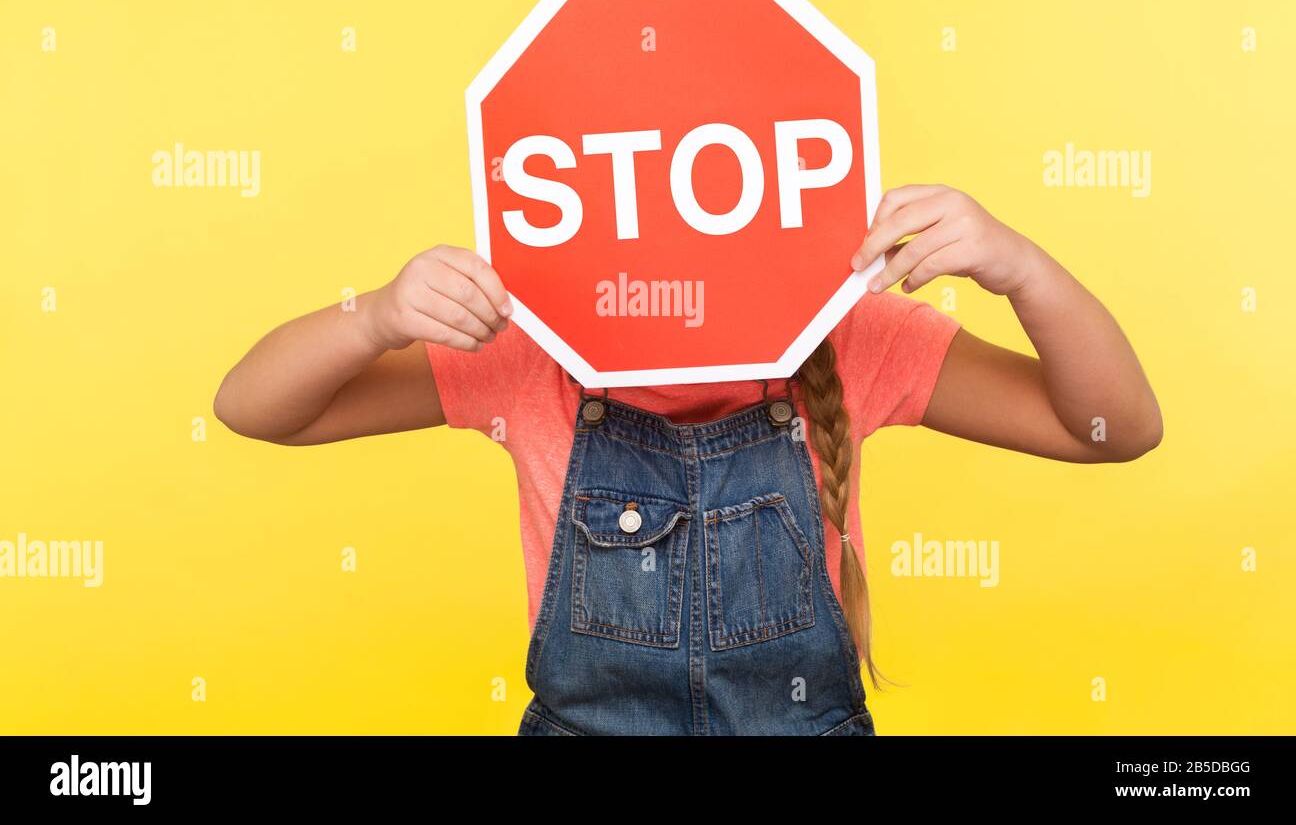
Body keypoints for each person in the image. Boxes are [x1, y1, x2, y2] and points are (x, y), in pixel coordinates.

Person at [213, 183, 1162, 735]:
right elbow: (256, 407)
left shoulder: (852, 338)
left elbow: (1116, 428)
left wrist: (1023, 267)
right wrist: (376, 313)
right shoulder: (524, 356)